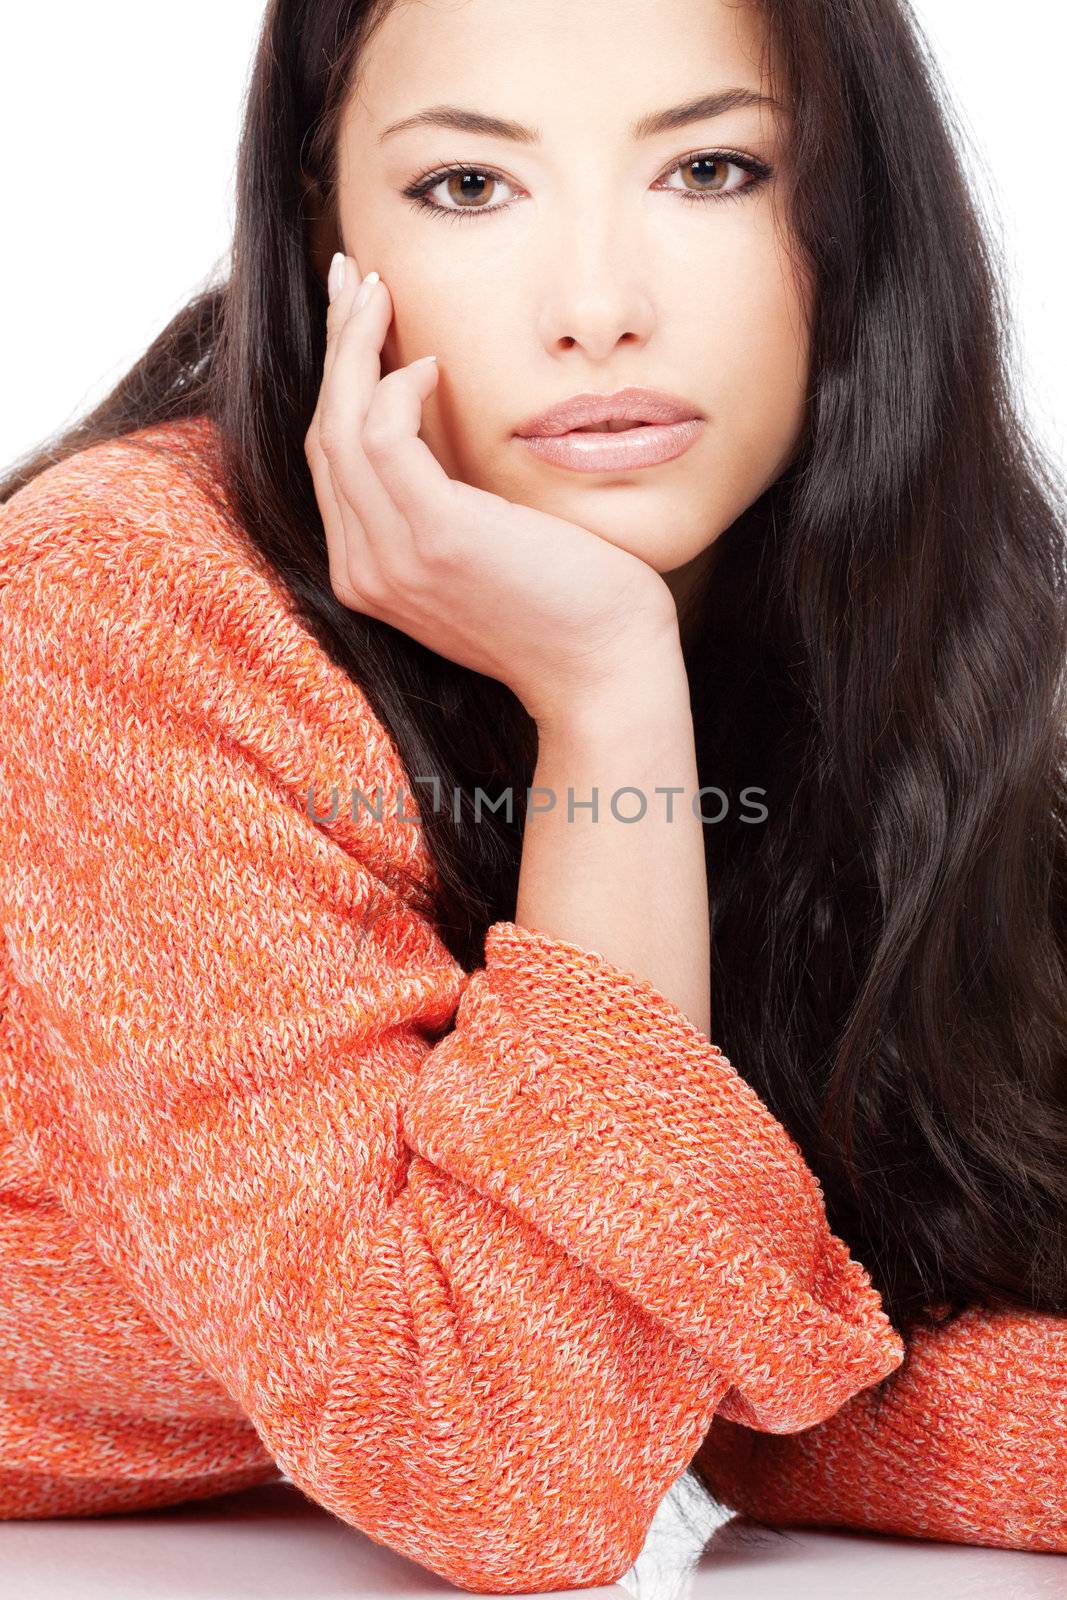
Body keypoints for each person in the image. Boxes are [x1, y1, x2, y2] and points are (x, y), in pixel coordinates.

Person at [0, 0, 1064, 1587]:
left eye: (711, 168)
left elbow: (751, 1365)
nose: (596, 310)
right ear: (324, 228)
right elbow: (517, 1457)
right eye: (468, 189)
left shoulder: (876, 611)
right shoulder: (119, 607)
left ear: (859, 213)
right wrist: (608, 696)